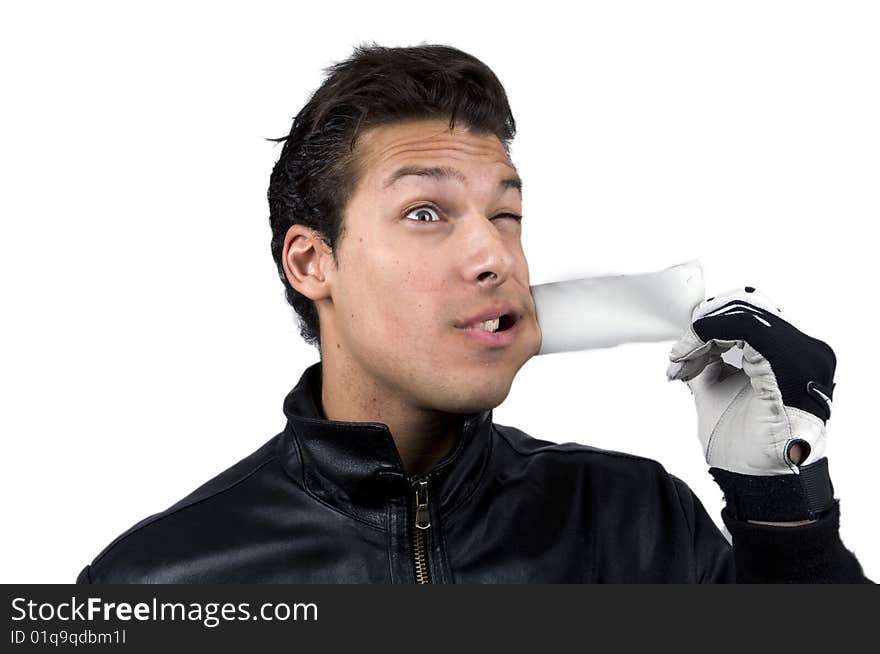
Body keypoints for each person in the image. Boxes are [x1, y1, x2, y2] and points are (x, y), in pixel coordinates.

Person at [76, 43, 871, 583]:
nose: (494, 256)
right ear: (312, 263)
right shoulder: (158, 581)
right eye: (426, 212)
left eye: (506, 215)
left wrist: (781, 512)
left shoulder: (638, 523)